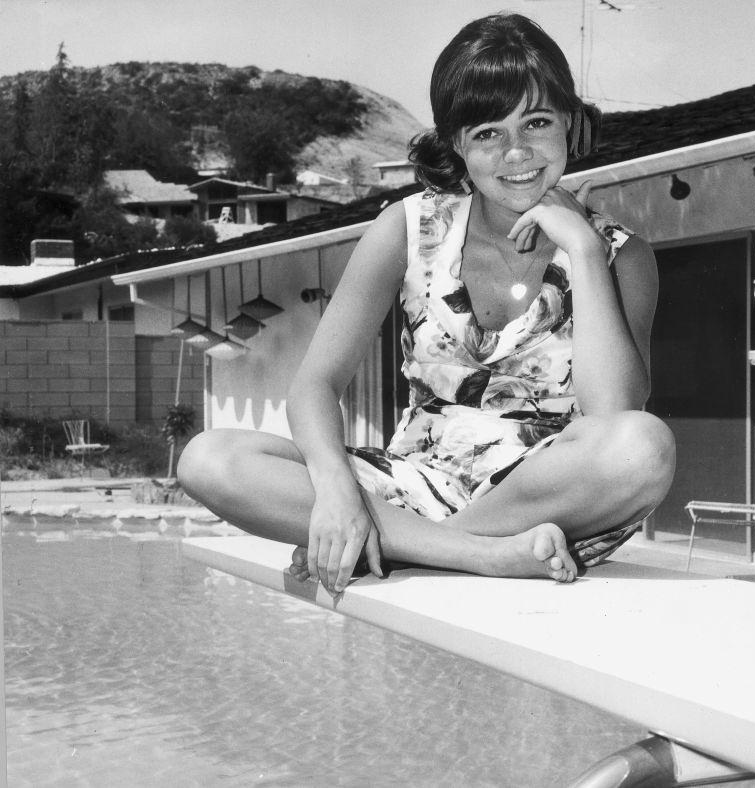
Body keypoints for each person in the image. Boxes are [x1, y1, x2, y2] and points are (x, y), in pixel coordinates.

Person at [178, 13, 675, 594]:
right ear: (457, 145)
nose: (517, 153)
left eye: (536, 122)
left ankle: (411, 549)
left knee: (643, 447)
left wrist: (584, 251)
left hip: (544, 501)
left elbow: (613, 412)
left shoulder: (621, 256)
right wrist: (339, 496)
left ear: (569, 123)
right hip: (411, 485)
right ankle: (477, 555)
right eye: (488, 133)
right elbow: (314, 385)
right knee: (209, 458)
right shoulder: (409, 228)